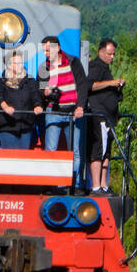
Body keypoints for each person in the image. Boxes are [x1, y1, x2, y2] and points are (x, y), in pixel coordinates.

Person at [40, 35, 90, 190]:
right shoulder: (44, 67)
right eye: (44, 50)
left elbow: (82, 85)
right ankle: (51, 184)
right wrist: (45, 93)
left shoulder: (73, 62)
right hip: (53, 110)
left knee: (74, 150)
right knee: (51, 150)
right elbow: (40, 89)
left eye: (48, 50)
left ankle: (74, 184)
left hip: (73, 111)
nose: (46, 53)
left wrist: (81, 106)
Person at [85, 37, 125, 193]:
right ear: (101, 52)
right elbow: (90, 85)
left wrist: (117, 88)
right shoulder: (95, 67)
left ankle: (104, 185)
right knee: (98, 150)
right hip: (98, 116)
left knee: (106, 151)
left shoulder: (106, 69)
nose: (112, 57)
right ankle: (95, 186)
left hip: (109, 117)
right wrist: (112, 83)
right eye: (110, 54)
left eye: (114, 54)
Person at [0, 50, 44, 150]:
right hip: (6, 126)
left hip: (26, 125)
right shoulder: (0, 81)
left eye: (21, 62)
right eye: (17, 63)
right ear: (9, 65)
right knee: (10, 158)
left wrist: (38, 105)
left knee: (23, 158)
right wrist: (5, 106)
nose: (21, 65)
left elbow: (35, 95)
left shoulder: (30, 81)